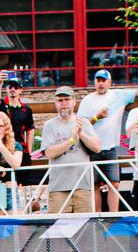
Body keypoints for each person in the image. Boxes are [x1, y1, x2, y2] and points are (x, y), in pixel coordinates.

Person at [78, 69, 138, 212]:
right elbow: (80, 124)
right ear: (94, 82)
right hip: (92, 148)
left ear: (109, 82)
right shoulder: (87, 100)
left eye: (103, 80)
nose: (101, 83)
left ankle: (114, 216)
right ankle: (97, 217)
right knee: (94, 186)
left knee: (114, 184)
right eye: (98, 80)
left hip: (110, 147)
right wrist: (97, 117)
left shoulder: (119, 95)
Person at [40, 86, 100, 214]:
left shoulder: (83, 122)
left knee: (85, 231)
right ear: (55, 103)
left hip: (83, 186)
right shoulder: (49, 125)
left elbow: (97, 147)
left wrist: (81, 133)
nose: (64, 104)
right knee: (57, 231)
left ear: (74, 102)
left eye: (67, 99)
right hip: (58, 188)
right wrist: (72, 140)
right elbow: (49, 153)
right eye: (60, 100)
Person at [0, 72, 38, 208]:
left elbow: (30, 131)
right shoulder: (4, 105)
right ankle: (8, 208)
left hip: (21, 148)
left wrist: (29, 150)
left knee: (23, 182)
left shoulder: (26, 109)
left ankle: (23, 209)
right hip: (5, 147)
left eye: (15, 86)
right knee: (7, 180)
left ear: (20, 90)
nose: (12, 89)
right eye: (10, 87)